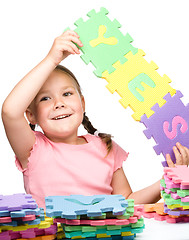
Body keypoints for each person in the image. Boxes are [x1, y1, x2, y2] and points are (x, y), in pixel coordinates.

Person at [2, 30, 189, 209]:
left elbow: (127, 203)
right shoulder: (33, 149)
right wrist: (51, 59)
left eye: (66, 94)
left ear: (82, 103)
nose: (58, 103)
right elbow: (10, 111)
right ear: (31, 114)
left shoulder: (106, 147)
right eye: (45, 98)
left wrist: (167, 180)